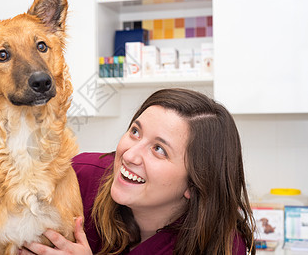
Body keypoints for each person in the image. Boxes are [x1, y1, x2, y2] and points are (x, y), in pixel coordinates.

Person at [20, 88, 256, 255]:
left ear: (194, 186)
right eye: (135, 132)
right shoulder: (79, 178)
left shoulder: (219, 246)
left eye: (159, 149)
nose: (129, 155)